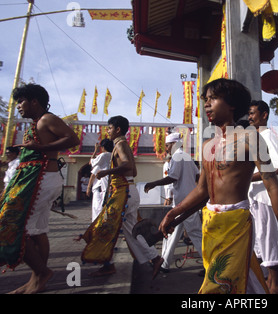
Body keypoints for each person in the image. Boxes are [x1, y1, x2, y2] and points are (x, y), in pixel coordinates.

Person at [159, 78, 278, 294]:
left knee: (218, 286)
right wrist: (174, 213)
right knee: (242, 282)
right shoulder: (207, 145)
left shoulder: (250, 139)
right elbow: (202, 191)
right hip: (211, 224)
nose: (206, 104)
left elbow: (273, 187)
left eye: (213, 99)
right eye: (205, 100)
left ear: (231, 104)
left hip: (236, 222)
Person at [0, 83, 80, 294]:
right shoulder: (37, 122)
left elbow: (73, 139)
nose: (18, 106)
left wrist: (42, 148)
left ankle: (41, 273)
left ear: (34, 101)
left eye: (21, 101)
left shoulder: (47, 119)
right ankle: (36, 279)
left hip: (40, 179)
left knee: (12, 224)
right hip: (40, 179)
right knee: (37, 230)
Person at [79, 115, 163, 279]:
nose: (107, 131)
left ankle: (106, 265)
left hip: (123, 193)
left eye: (109, 128)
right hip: (128, 190)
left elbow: (128, 165)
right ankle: (155, 258)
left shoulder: (120, 145)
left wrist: (107, 172)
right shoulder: (123, 145)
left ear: (117, 129)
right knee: (131, 232)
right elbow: (134, 171)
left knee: (105, 228)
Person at [144, 132, 202, 273]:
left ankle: (211, 265)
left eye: (168, 145)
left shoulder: (177, 156)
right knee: (172, 232)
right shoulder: (186, 156)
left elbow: (173, 177)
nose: (166, 148)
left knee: (195, 234)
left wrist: (154, 183)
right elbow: (198, 175)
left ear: (174, 143)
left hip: (185, 202)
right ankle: (164, 264)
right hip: (185, 201)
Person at [247, 100, 278, 294]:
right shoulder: (253, 138)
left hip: (265, 199)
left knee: (270, 248)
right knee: (260, 247)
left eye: (253, 113)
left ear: (264, 115)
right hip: (255, 199)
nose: (250, 117)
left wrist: (244, 178)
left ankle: (275, 286)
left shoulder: (267, 135)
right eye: (249, 114)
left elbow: (275, 167)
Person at [86, 139, 113, 221]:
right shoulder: (112, 156)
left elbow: (91, 163)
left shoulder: (103, 156)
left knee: (97, 209)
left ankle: (97, 226)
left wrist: (95, 150)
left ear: (103, 147)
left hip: (101, 187)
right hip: (110, 185)